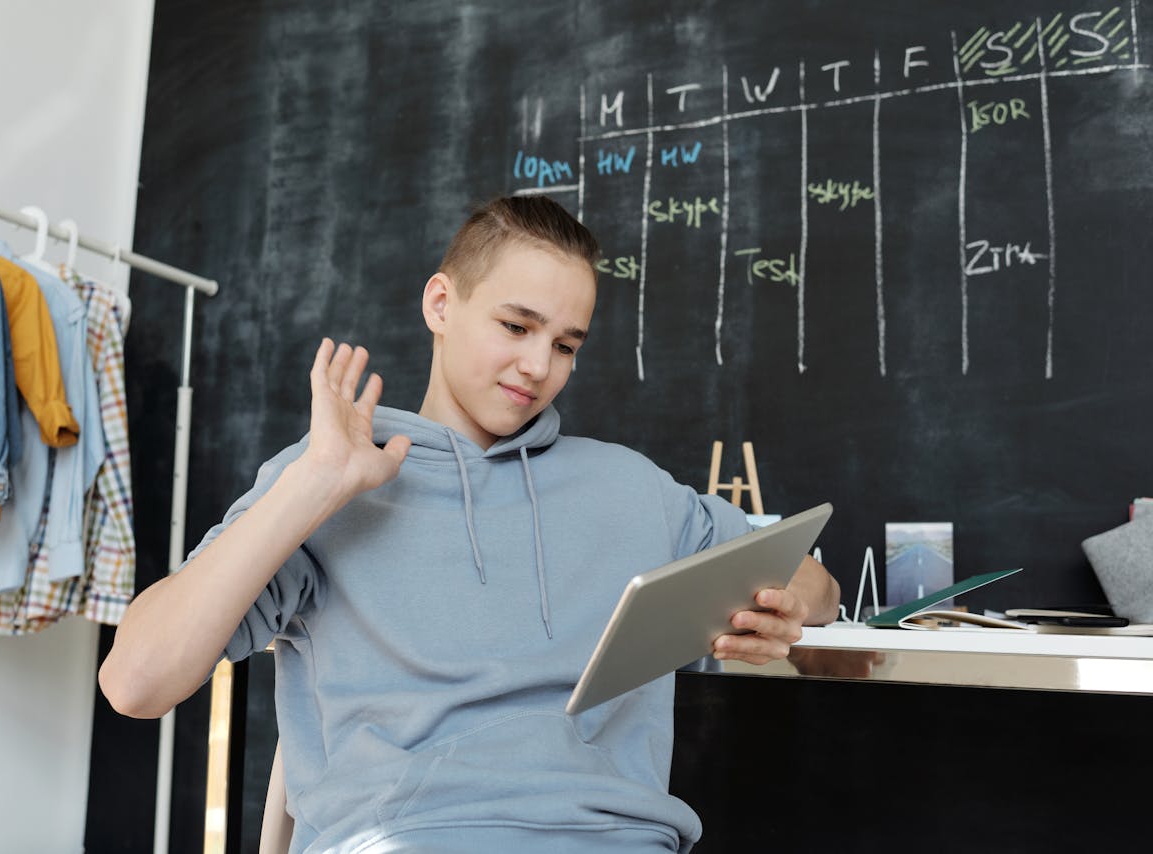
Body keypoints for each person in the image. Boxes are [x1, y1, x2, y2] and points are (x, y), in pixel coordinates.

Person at [99, 195, 840, 853]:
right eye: (516, 326)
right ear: (441, 305)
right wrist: (312, 488)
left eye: (565, 345)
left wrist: (784, 608)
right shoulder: (327, 474)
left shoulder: (631, 487)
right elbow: (135, 683)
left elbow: (817, 585)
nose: (538, 366)